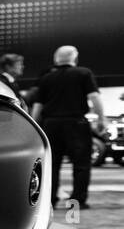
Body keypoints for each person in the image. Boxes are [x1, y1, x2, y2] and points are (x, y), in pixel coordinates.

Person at [28, 45, 105, 209]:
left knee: (52, 165)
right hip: (76, 123)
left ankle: (51, 201)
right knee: (81, 165)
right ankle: (77, 202)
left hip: (51, 124)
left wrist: (34, 125)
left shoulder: (47, 77)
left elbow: (38, 105)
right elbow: (94, 97)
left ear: (56, 59)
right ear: (75, 58)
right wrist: (101, 120)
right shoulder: (84, 73)